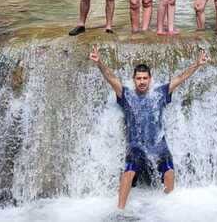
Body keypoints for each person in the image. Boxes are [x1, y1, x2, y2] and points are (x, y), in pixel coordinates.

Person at [89, 46, 209, 210]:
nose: (142, 81)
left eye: (145, 78)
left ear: (150, 79)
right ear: (134, 79)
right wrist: (99, 63)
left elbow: (181, 78)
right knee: (128, 173)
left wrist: (197, 64)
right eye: (139, 78)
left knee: (169, 173)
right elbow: (110, 78)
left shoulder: (160, 93)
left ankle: (167, 209)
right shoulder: (126, 95)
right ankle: (120, 210)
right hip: (136, 146)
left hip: (158, 145)